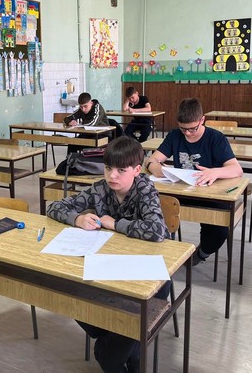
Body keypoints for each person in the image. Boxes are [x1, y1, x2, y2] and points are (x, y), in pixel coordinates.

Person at [47, 136, 170, 373]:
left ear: (136, 170)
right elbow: (55, 207)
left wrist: (114, 224)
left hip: (148, 275)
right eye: (107, 168)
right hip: (107, 268)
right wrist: (78, 218)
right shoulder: (99, 188)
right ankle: (120, 344)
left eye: (121, 170)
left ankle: (113, 349)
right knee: (74, 294)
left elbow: (156, 231)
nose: (112, 175)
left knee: (109, 356)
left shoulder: (145, 190)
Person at [144, 98, 243, 266]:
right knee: (152, 208)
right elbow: (151, 160)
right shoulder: (175, 135)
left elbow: (237, 169)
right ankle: (161, 250)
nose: (188, 133)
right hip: (181, 192)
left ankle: (201, 253)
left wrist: (215, 172)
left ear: (202, 120)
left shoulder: (215, 138)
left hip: (210, 194)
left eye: (192, 129)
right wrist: (155, 167)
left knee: (219, 230)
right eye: (183, 128)